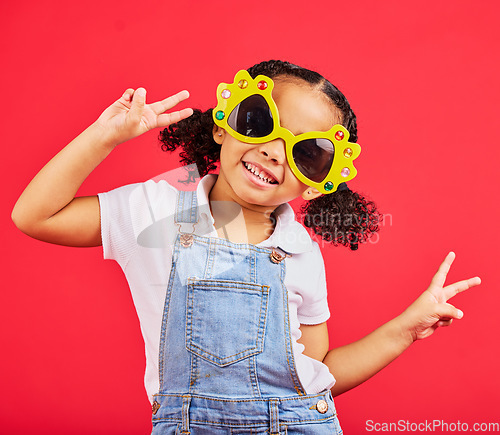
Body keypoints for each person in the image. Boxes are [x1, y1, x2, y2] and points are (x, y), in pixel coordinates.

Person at [11, 60, 481, 434]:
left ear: (318, 184)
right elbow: (34, 216)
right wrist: (105, 136)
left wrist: (404, 328)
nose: (276, 151)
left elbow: (316, 373)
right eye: (261, 123)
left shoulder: (299, 251)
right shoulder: (155, 211)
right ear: (223, 125)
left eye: (307, 152)